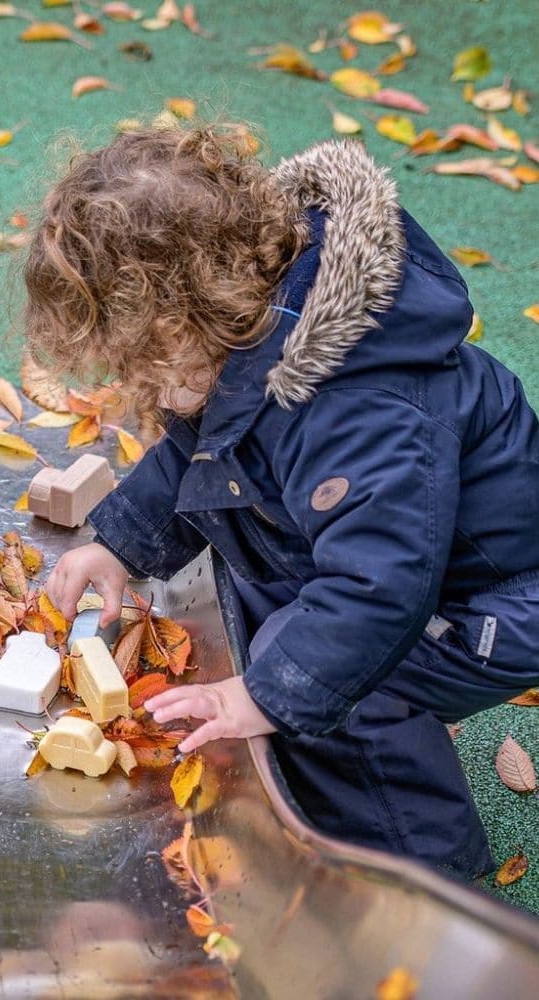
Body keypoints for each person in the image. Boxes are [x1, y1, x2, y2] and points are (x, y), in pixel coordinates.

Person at [30, 123, 539, 878]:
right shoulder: (252, 332)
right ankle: (320, 763)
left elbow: (381, 593)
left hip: (492, 600)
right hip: (407, 566)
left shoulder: (355, 401)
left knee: (340, 689)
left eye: (135, 354)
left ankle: (418, 877)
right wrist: (118, 543)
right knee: (279, 625)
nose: (131, 375)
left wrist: (267, 696)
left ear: (180, 317)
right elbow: (195, 451)